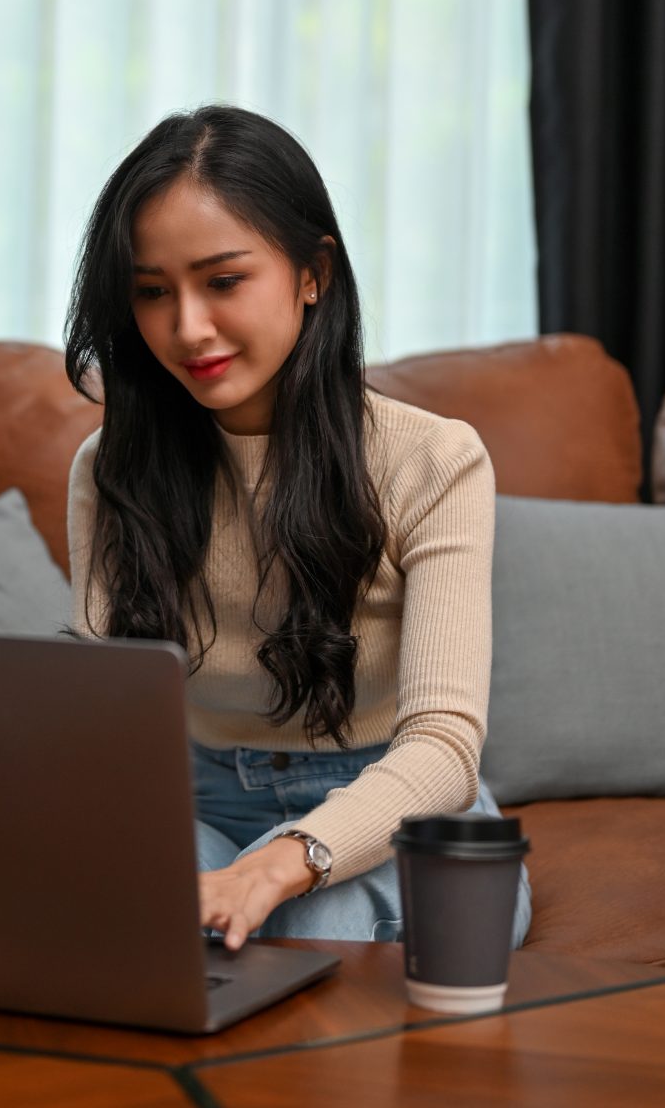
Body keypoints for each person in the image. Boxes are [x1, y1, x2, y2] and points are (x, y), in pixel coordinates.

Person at [63, 104, 531, 952]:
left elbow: (443, 748)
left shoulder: (434, 461)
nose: (188, 327)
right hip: (202, 799)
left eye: (224, 280)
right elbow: (113, 727)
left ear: (313, 273)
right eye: (152, 293)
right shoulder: (111, 467)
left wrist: (281, 861)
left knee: (295, 927)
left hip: (398, 805)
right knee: (101, 920)